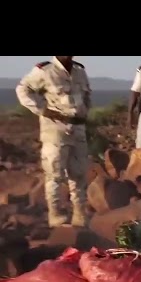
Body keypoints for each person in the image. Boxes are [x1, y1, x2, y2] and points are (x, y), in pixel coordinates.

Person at [15, 56, 92, 228]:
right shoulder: (45, 71)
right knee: (55, 173)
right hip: (55, 128)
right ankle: (55, 214)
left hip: (78, 127)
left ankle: (80, 213)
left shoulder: (80, 71)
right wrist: (42, 109)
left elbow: (87, 94)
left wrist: (85, 110)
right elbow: (23, 89)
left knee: (79, 173)